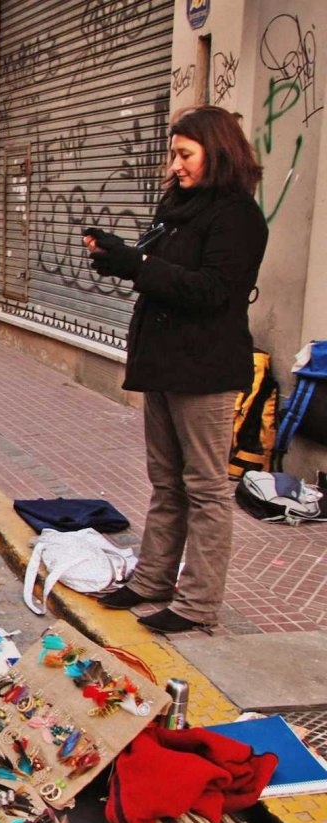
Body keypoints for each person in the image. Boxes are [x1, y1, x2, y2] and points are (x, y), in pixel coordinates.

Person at [86, 105, 269, 634]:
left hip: (206, 370)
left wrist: (139, 267)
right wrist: (121, 257)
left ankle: (197, 604)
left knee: (206, 489)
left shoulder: (237, 216)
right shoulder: (179, 205)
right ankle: (152, 580)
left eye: (185, 155)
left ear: (218, 154)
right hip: (164, 362)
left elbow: (212, 289)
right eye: (173, 154)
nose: (175, 165)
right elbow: (160, 272)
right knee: (165, 482)